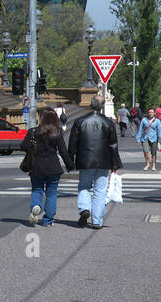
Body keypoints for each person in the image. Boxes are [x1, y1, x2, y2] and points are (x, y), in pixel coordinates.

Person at [67, 95, 123, 229]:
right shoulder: (108, 123)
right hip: (103, 161)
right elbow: (113, 145)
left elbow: (72, 143)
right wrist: (115, 163)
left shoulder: (80, 121)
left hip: (85, 160)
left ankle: (85, 208)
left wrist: (70, 160)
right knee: (100, 190)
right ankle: (97, 221)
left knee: (84, 186)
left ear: (91, 105)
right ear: (102, 106)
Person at [21, 107, 74, 227]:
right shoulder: (57, 132)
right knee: (51, 193)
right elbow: (63, 151)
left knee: (37, 190)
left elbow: (23, 146)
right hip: (53, 166)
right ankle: (48, 220)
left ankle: (36, 206)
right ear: (55, 119)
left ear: (41, 118)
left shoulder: (33, 132)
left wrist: (32, 145)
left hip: (37, 166)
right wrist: (70, 165)